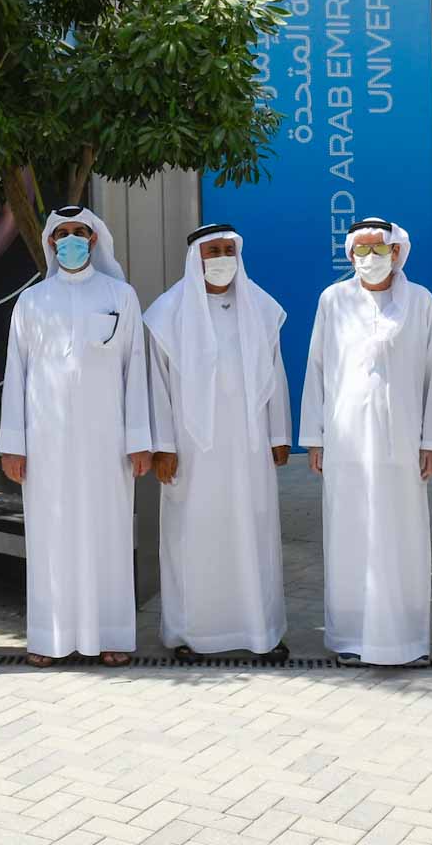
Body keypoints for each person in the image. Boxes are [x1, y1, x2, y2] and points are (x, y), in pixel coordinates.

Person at [0, 206, 152, 668]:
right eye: (61, 233)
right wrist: (13, 445)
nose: (70, 240)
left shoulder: (120, 295)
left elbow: (134, 369)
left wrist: (139, 439)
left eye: (78, 232)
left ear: (94, 238)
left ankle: (112, 635)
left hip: (108, 444)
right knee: (50, 536)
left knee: (109, 534)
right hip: (46, 444)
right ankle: (49, 638)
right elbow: (16, 373)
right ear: (50, 243)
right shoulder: (31, 301)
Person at [300, 217, 432, 666]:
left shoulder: (419, 301)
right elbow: (317, 368)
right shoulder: (333, 300)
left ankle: (406, 639)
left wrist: (431, 440)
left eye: (378, 249)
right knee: (350, 535)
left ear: (396, 252)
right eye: (360, 251)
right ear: (349, 255)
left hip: (401, 440)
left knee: (402, 535)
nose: (369, 258)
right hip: (345, 440)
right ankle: (350, 637)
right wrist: (314, 438)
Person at [146, 223, 291, 661]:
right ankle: (192, 634)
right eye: (213, 251)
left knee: (254, 533)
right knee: (193, 537)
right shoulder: (168, 312)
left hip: (249, 448)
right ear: (196, 258)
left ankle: (260, 631)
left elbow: (275, 373)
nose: (222, 258)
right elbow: (157, 386)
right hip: (192, 452)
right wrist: (162, 445)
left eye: (229, 250)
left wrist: (279, 433)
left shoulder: (261, 308)